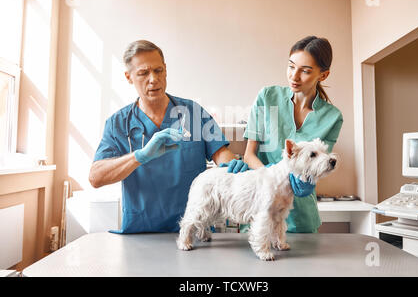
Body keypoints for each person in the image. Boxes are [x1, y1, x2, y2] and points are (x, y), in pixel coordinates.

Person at [89, 40, 248, 234]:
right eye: (143, 73)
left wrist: (234, 167)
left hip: (194, 233)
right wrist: (139, 156)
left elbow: (222, 155)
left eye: (158, 71)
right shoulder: (118, 124)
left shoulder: (194, 113)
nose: (153, 79)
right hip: (141, 235)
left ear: (165, 70)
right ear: (128, 77)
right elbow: (96, 177)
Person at [243, 36, 344, 233]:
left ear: (323, 76)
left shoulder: (332, 117)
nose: (294, 76)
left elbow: (317, 167)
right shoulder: (267, 97)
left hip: (302, 218)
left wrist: (305, 181)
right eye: (291, 66)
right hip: (261, 211)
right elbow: (249, 155)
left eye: (305, 71)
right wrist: (270, 180)